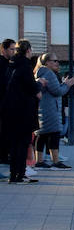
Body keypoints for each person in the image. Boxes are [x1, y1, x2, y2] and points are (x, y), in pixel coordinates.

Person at [2, 40, 38, 183]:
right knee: (23, 143)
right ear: (28, 50)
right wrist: (39, 85)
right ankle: (20, 174)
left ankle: (13, 175)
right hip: (23, 110)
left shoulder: (11, 65)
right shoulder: (25, 66)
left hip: (9, 110)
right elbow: (31, 87)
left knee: (13, 143)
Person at [33, 54, 74, 168]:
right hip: (51, 109)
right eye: (55, 61)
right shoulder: (49, 74)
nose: (57, 63)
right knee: (54, 134)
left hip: (44, 107)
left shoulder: (41, 72)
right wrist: (67, 85)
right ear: (47, 62)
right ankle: (55, 161)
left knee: (42, 134)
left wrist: (63, 84)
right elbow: (57, 91)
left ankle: (40, 160)